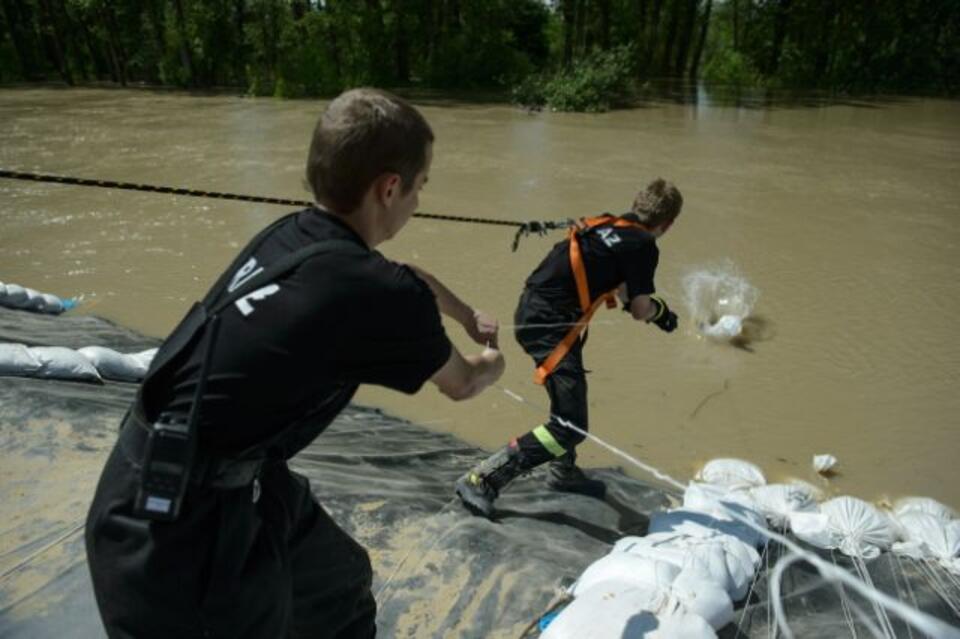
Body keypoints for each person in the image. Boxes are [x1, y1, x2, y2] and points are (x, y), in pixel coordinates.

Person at [85, 88, 505, 639]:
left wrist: (465, 313)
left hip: (205, 475)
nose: (419, 202)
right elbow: (463, 382)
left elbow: (405, 277)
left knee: (339, 591)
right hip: (172, 534)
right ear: (390, 187)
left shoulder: (296, 236)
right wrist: (493, 357)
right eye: (420, 187)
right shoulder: (375, 290)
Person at [455, 178, 683, 518]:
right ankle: (482, 478)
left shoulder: (606, 223)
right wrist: (661, 313)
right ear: (667, 224)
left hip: (539, 312)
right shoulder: (643, 245)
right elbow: (638, 308)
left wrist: (651, 307)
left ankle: (563, 472)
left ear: (637, 204)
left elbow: (620, 288)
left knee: (567, 407)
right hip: (550, 325)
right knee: (570, 425)